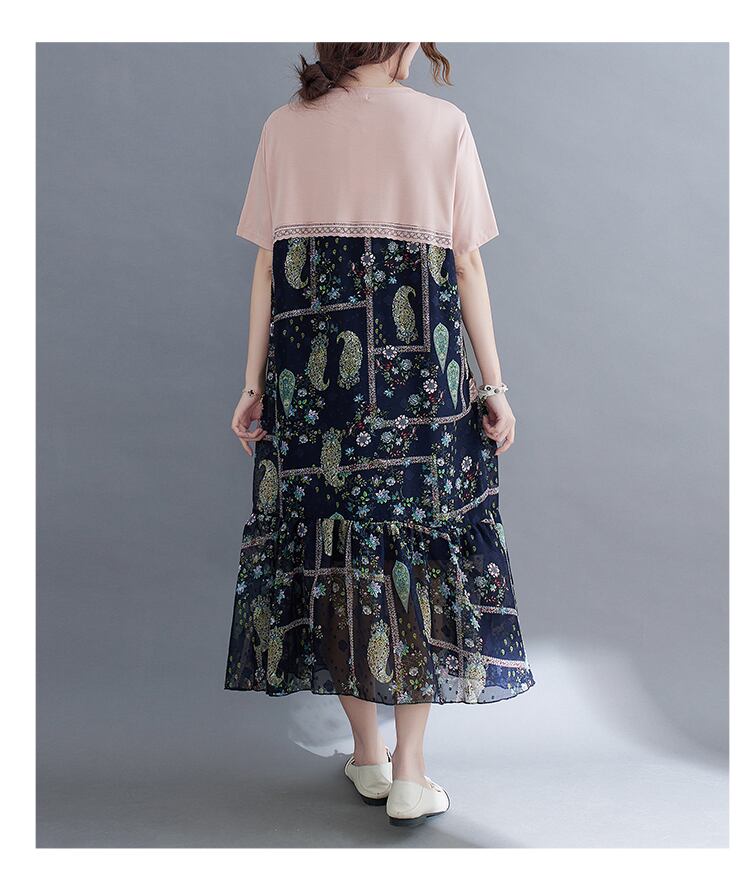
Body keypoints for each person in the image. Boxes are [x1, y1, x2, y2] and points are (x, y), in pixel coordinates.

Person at [224, 42, 535, 827]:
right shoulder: (442, 125)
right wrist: (494, 386)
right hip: (419, 386)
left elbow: (267, 267)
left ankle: (366, 753)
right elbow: (465, 264)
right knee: (415, 555)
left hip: (312, 386)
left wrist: (253, 384)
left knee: (337, 553)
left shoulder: (284, 125)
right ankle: (409, 770)